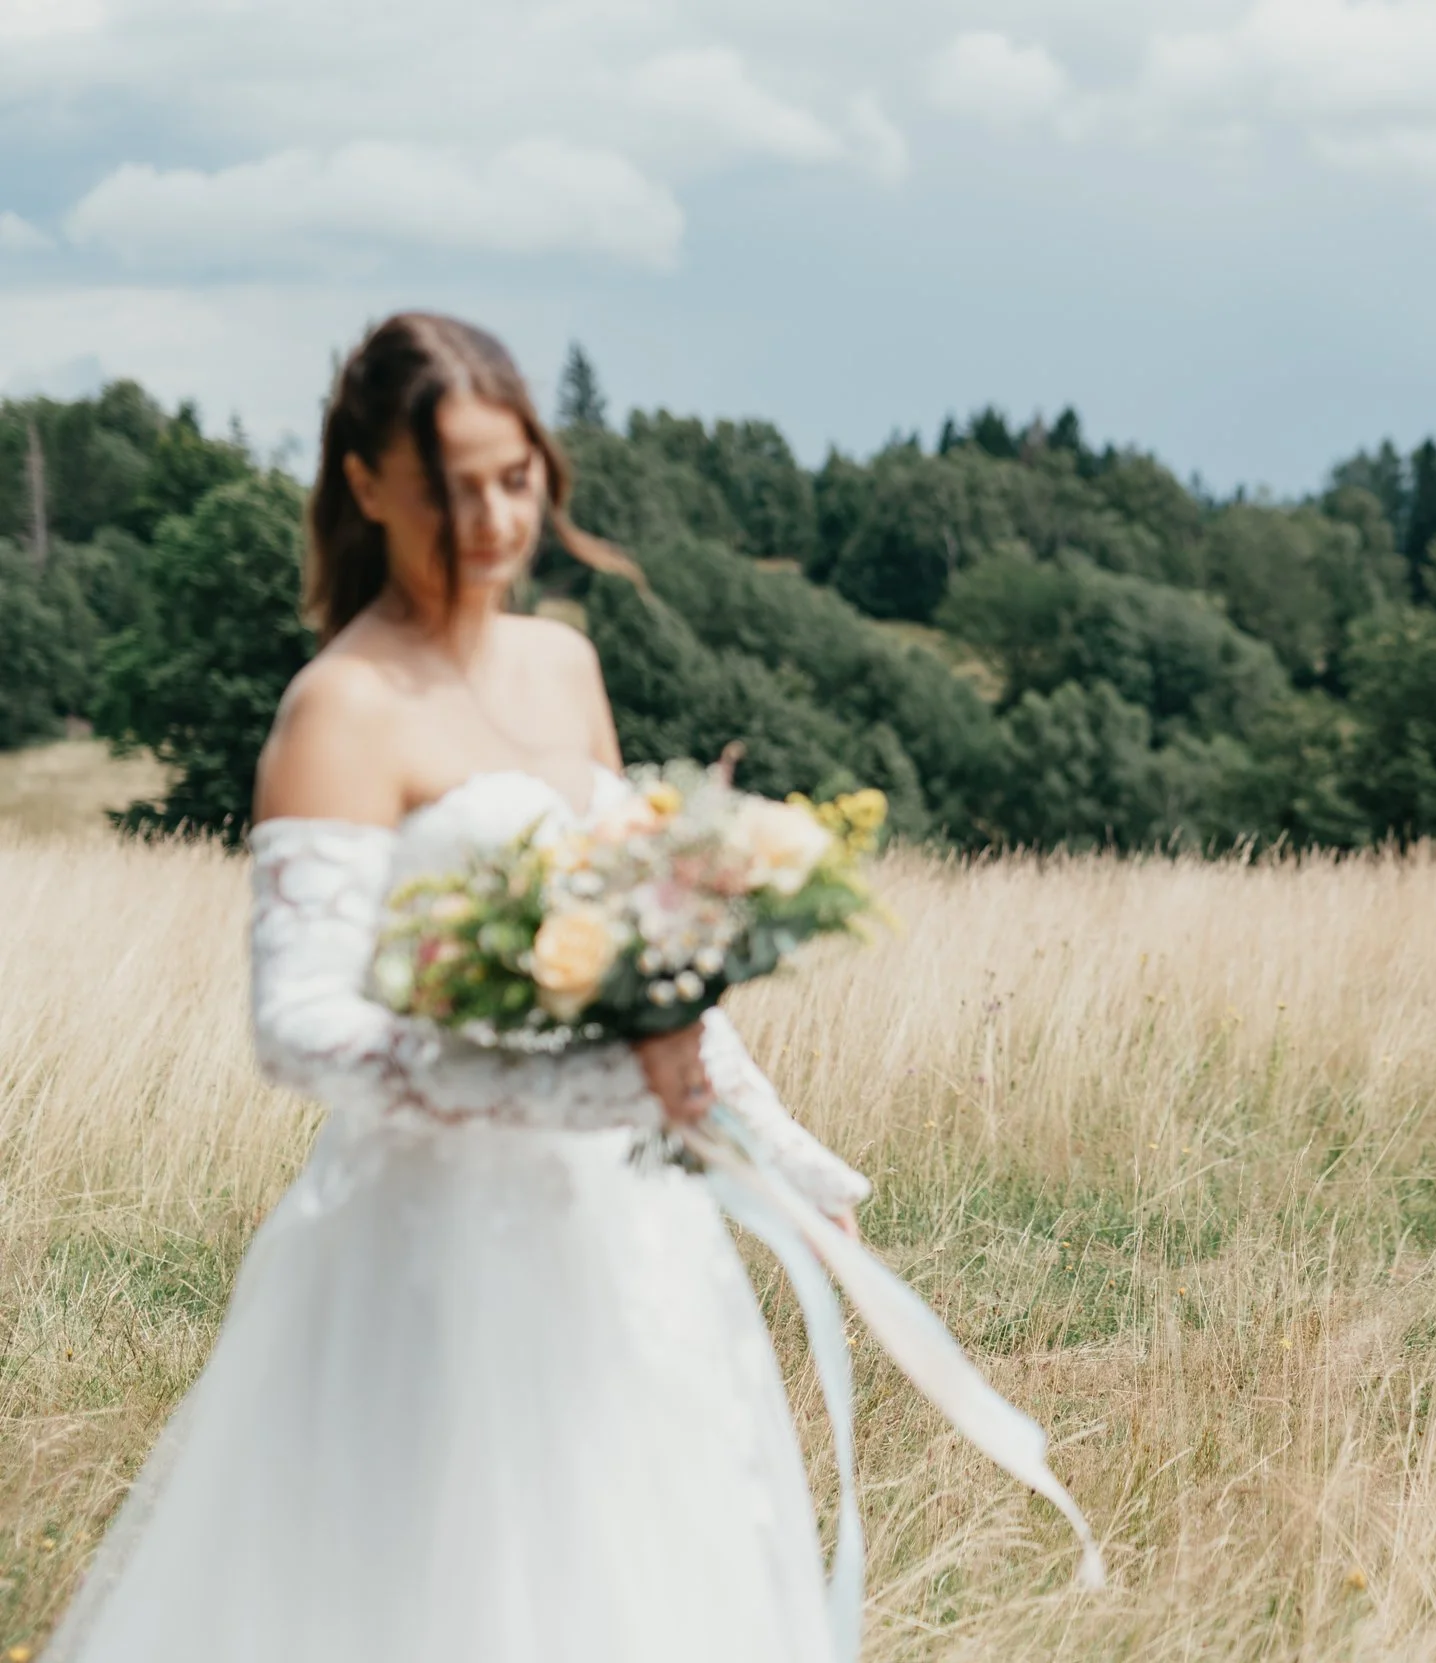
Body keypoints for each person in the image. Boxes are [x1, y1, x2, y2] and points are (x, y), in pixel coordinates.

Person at [48, 313, 876, 1661]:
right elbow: (301, 1027)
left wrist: (767, 1138)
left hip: (624, 1235)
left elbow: (635, 950)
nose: (490, 516)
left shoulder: (566, 663)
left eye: (513, 476)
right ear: (366, 484)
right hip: (426, 1247)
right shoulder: (341, 708)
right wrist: (577, 1086)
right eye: (446, 482)